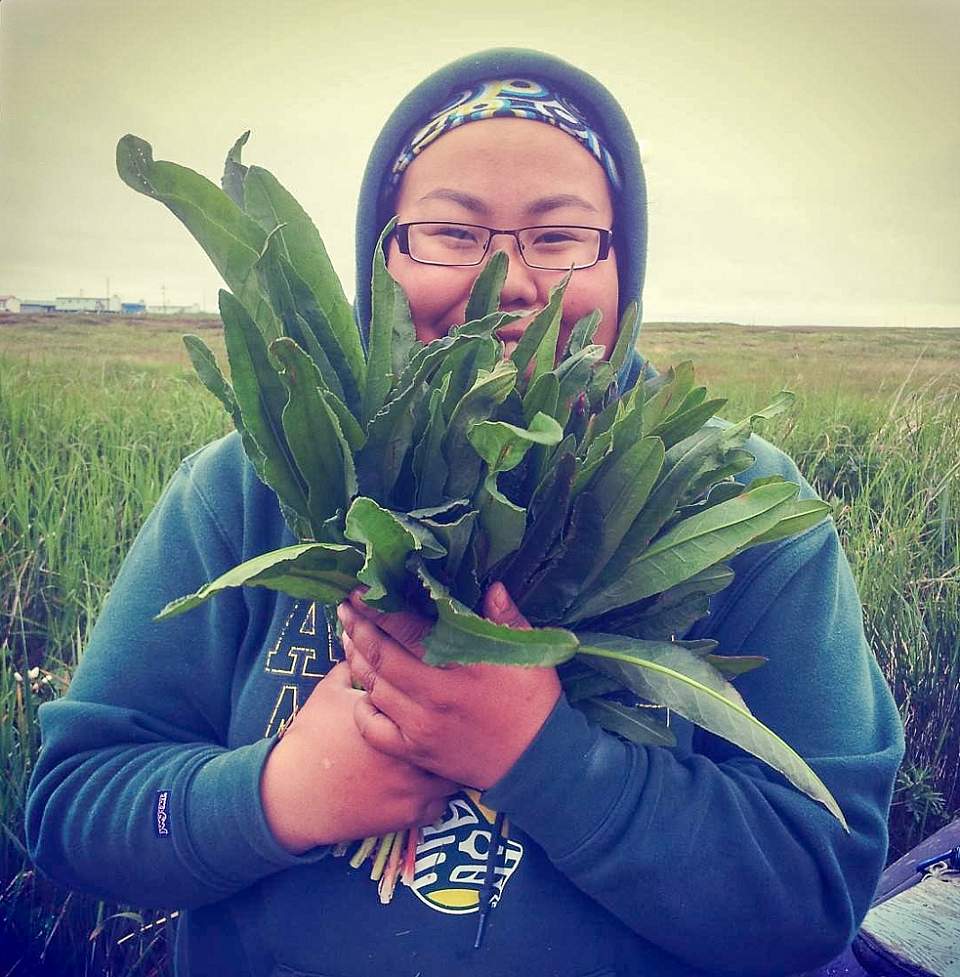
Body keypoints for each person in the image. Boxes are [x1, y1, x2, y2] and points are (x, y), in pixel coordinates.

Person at [26, 48, 904, 977]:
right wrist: (285, 791)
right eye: (449, 230)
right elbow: (76, 808)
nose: (513, 280)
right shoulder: (245, 489)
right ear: (379, 258)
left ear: (623, 270)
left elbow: (816, 889)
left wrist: (542, 755)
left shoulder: (739, 503)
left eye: (561, 237)